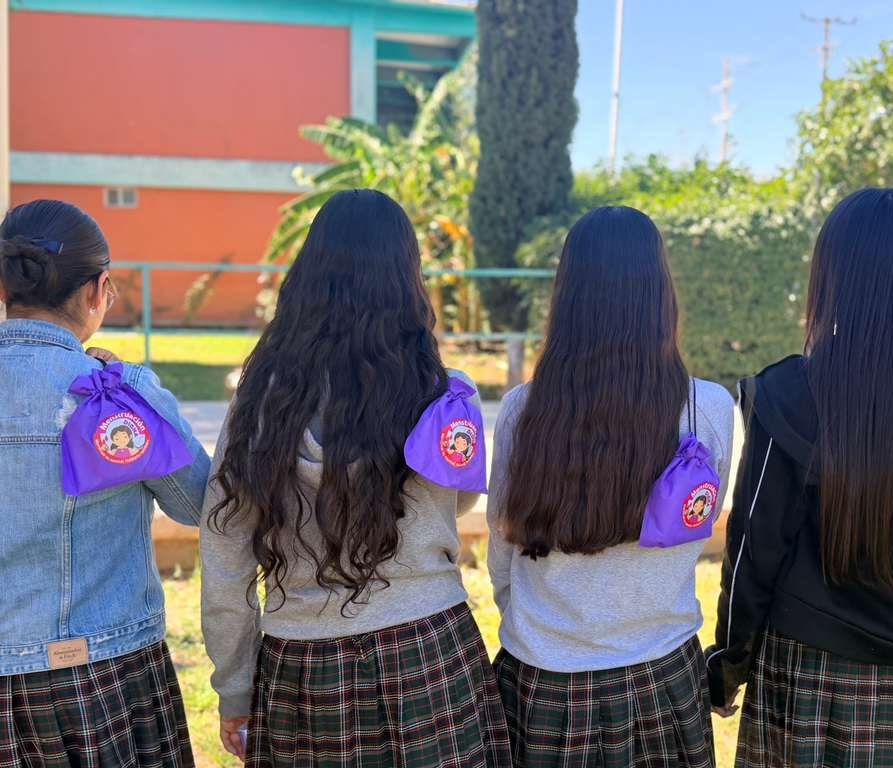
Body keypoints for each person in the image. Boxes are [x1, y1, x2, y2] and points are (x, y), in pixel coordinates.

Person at [201, 189, 512, 768]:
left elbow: (225, 552)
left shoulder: (261, 402)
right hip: (428, 651)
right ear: (407, 279)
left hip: (301, 666)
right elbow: (460, 498)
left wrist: (235, 687)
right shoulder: (444, 394)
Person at [705, 188, 893, 768]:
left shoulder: (789, 395)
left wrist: (729, 663)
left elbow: (755, 547)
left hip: (810, 672)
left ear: (831, 274)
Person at [488, 206, 734, 768]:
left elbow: (503, 551)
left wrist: (538, 626)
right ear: (661, 294)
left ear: (567, 296)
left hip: (544, 677)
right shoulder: (708, 408)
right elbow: (698, 528)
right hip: (663, 675)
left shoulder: (524, 410)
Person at [0, 199, 210, 767]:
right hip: (102, 673)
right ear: (98, 290)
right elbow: (201, 505)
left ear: (3, 287)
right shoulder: (119, 396)